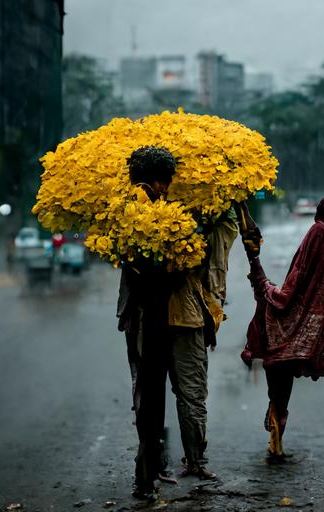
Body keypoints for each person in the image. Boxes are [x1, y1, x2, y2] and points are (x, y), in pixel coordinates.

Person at [117, 146, 239, 500]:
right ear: (160, 181)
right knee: (185, 395)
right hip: (168, 320)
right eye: (165, 182)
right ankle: (164, 468)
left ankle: (154, 472)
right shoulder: (145, 216)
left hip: (153, 321)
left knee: (152, 398)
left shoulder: (129, 212)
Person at [239, 195, 324, 461]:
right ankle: (276, 437)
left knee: (279, 371)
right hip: (316, 323)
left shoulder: (320, 231)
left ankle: (276, 435)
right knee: (283, 375)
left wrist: (266, 286)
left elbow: (300, 274)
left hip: (296, 316)